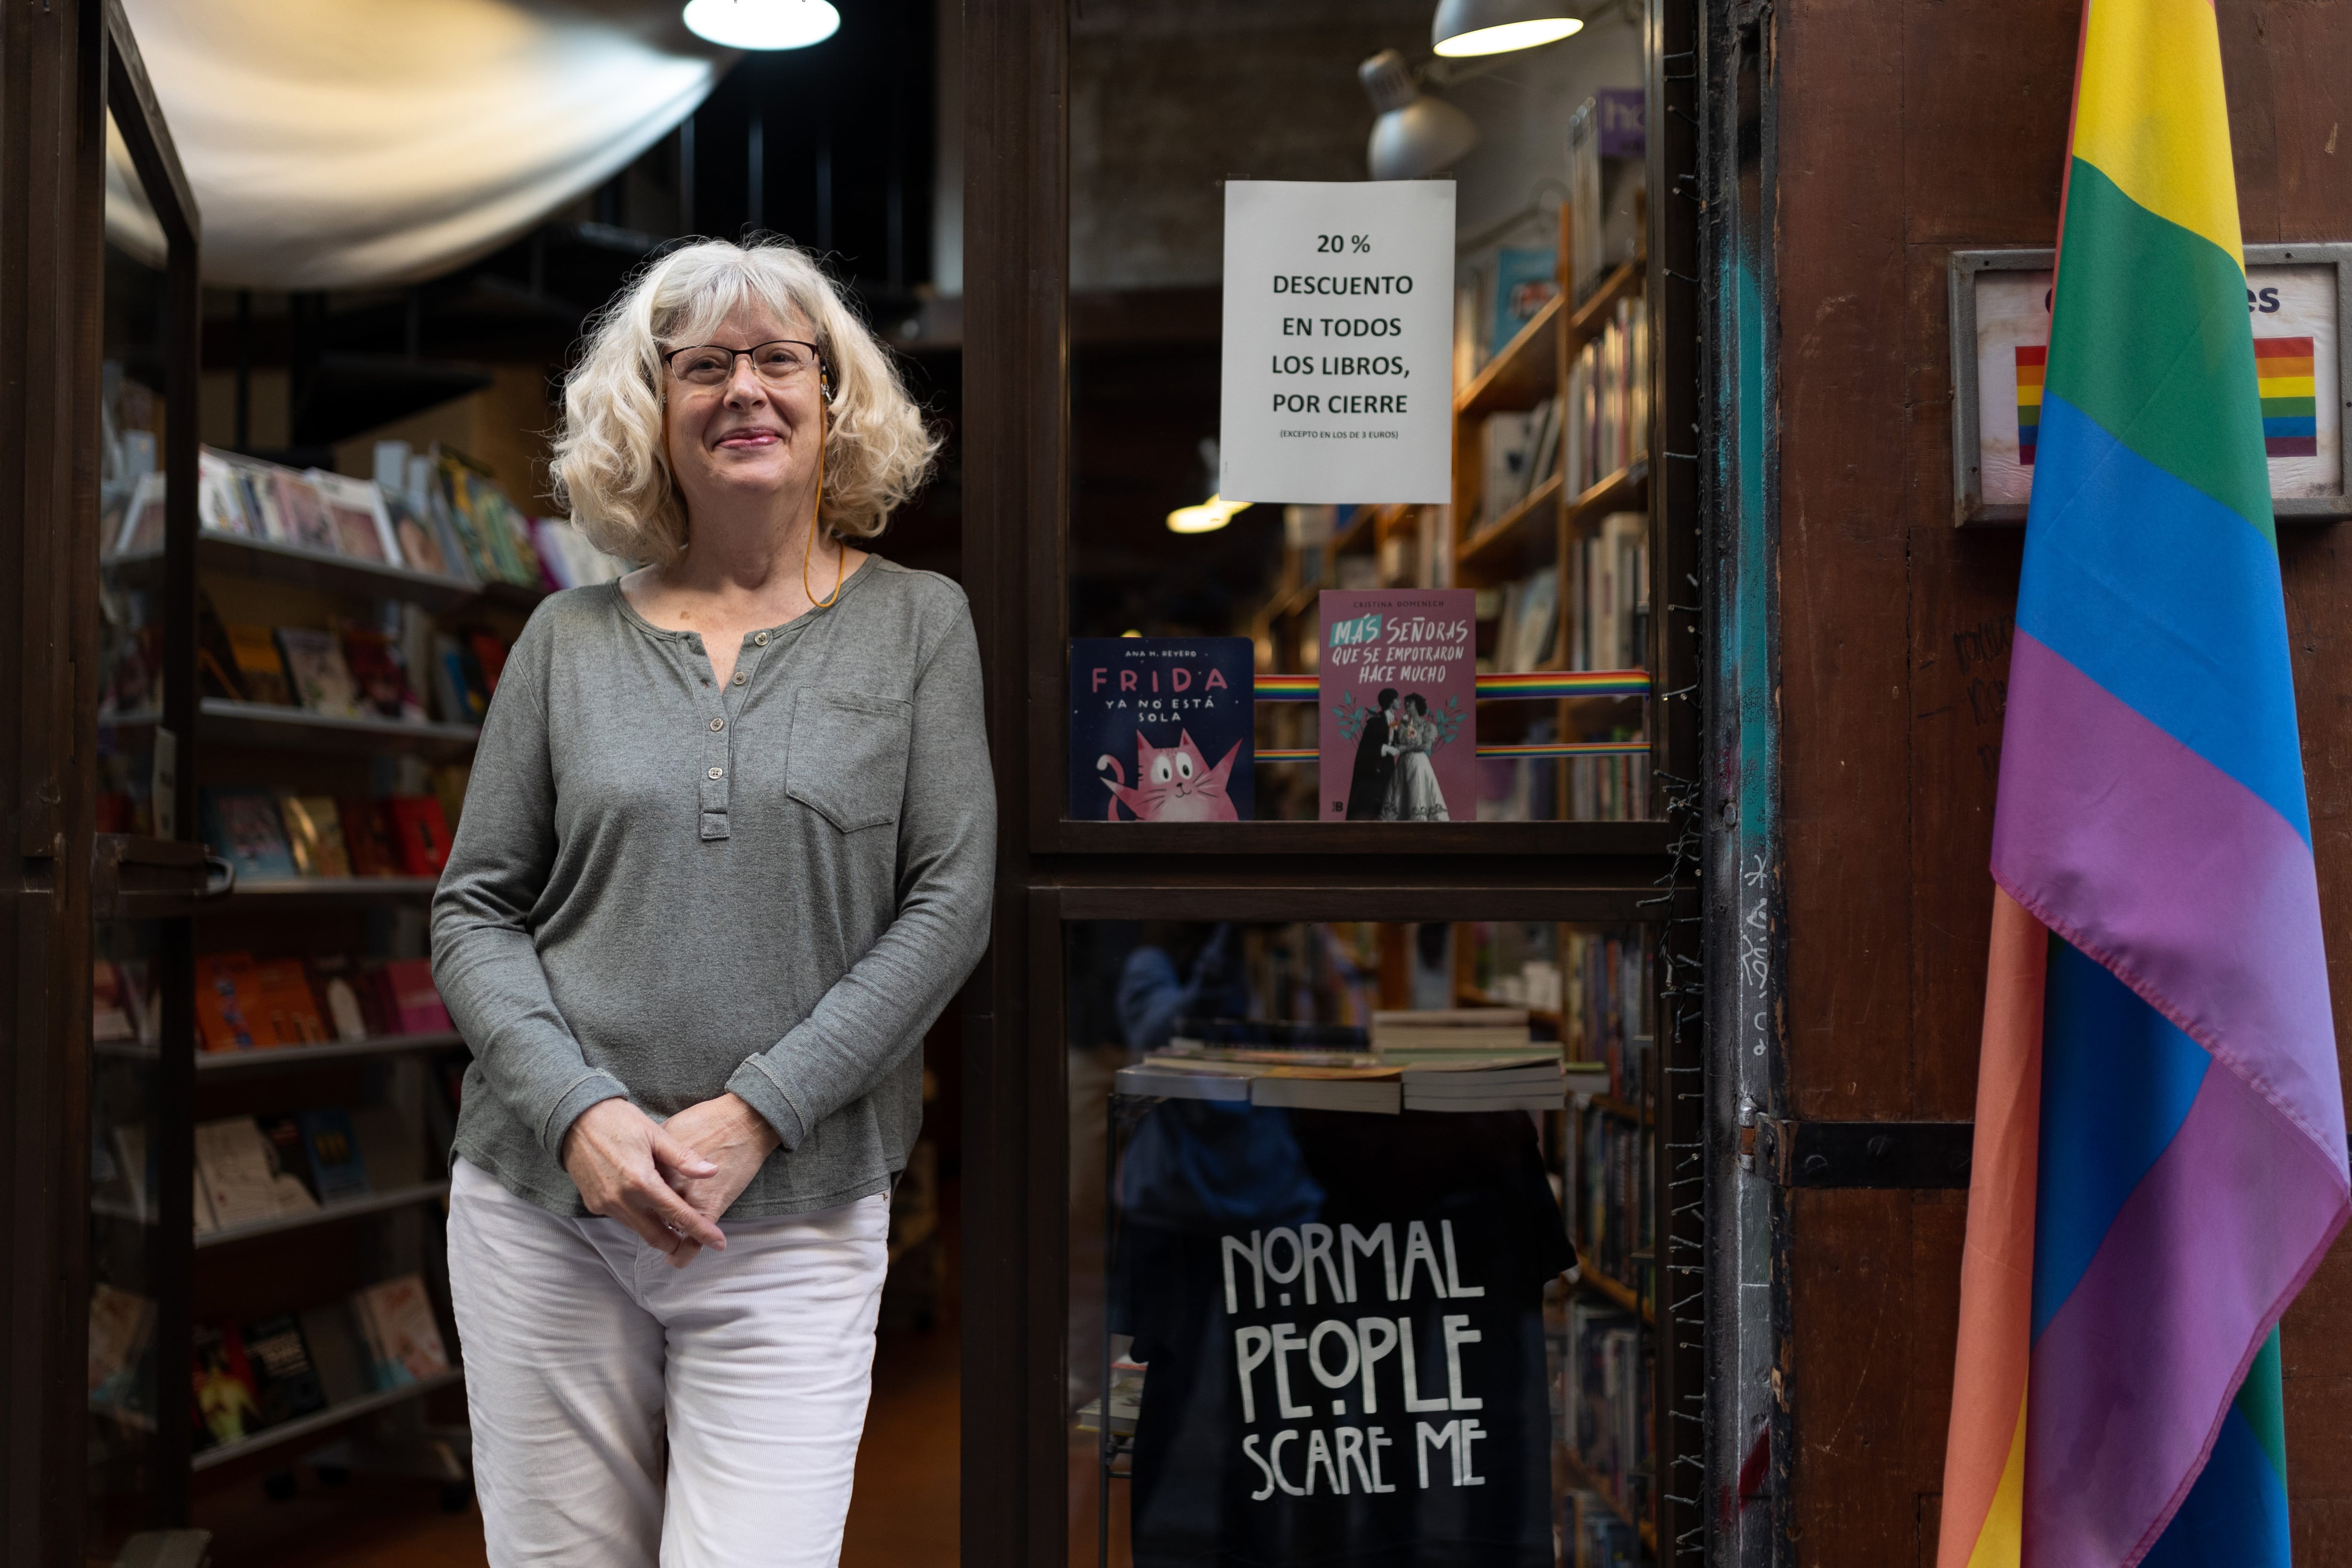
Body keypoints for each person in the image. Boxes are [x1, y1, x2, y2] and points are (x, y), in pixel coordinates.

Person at [430, 237, 994, 1568]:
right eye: (705, 365)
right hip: (544, 1210)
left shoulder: (921, 624)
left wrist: (760, 1111)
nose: (746, 388)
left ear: (832, 395)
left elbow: (952, 898)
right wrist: (581, 1116)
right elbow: (473, 909)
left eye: (780, 359)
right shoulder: (566, 639)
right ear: (653, 407)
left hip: (795, 1209)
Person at [1381, 692, 1450, 821]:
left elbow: (1426, 746)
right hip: (1404, 764)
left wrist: (1406, 748)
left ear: (1417, 705)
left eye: (1410, 702)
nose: (1407, 704)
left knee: (1418, 789)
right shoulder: (1400, 725)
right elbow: (1396, 744)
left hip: (1419, 763)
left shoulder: (1427, 726)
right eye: (1406, 702)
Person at [1343, 686, 1398, 819]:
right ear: (1391, 702)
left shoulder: (1395, 720)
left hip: (1389, 766)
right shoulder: (1376, 721)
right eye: (1397, 699)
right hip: (1375, 769)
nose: (1400, 701)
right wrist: (1385, 748)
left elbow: (1396, 739)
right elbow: (1368, 746)